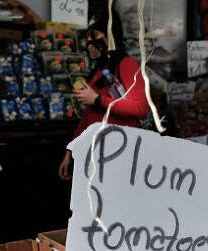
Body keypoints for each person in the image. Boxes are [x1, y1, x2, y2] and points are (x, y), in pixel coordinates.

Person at [58, 9, 150, 180]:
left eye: (94, 34)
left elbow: (140, 108)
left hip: (122, 154)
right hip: (97, 156)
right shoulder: (99, 70)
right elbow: (89, 115)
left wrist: (99, 99)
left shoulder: (126, 64)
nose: (90, 41)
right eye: (88, 36)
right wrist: (71, 149)